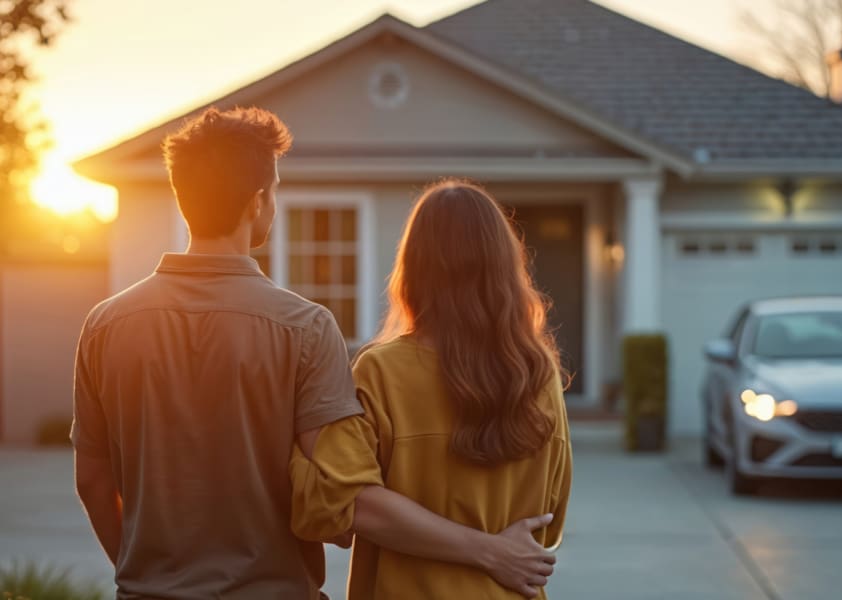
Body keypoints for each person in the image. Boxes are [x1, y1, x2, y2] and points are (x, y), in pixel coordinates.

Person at [71, 107, 556, 599]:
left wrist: (143, 574)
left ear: (183, 197)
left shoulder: (105, 326)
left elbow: (92, 479)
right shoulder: (304, 327)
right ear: (258, 201)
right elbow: (336, 498)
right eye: (275, 190)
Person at [291, 180, 573, 599]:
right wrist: (492, 550)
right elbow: (548, 521)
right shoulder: (538, 373)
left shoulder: (381, 370)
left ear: (415, 267)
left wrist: (303, 438)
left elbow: (341, 504)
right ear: (503, 267)